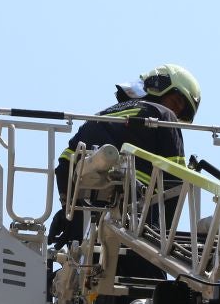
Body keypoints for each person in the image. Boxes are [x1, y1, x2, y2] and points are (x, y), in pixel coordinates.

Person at [50, 64, 202, 243]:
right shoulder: (163, 116)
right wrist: (163, 238)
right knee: (148, 272)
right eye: (175, 102)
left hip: (89, 229)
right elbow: (174, 181)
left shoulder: (98, 118)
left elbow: (64, 164)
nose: (175, 112)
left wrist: (70, 215)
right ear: (158, 86)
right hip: (138, 227)